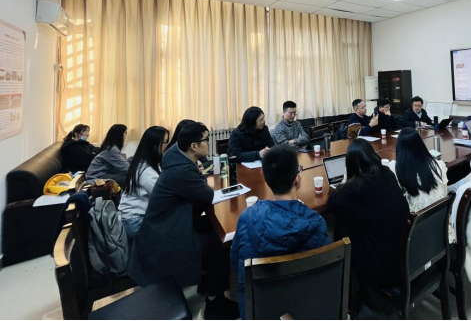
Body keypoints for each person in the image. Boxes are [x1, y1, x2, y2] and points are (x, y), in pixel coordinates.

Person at [128, 123, 238, 320]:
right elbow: (207, 195)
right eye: (205, 140)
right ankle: (215, 301)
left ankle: (207, 282)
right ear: (193, 146)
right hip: (165, 235)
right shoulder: (181, 170)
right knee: (220, 243)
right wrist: (200, 174)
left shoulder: (176, 157)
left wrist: (198, 172)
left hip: (170, 223)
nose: (208, 142)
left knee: (213, 229)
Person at [231, 146, 330, 319]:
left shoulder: (246, 218)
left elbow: (235, 265)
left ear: (266, 179)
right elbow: (326, 272)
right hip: (306, 310)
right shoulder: (316, 223)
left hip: (258, 311)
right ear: (298, 179)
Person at [327, 139, 409, 288]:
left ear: (351, 164)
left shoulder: (356, 187)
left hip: (381, 266)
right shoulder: (387, 172)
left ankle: (346, 276)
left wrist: (344, 183)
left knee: (340, 223)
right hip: (401, 252)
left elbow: (332, 204)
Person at [119, 126, 170, 241]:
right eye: (164, 142)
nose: (166, 146)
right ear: (154, 145)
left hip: (135, 217)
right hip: (134, 222)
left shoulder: (148, 163)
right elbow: (164, 195)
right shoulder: (145, 171)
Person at [389, 128, 449, 213]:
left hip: (417, 219)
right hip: (441, 216)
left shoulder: (396, 170)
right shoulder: (438, 165)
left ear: (400, 149)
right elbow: (444, 192)